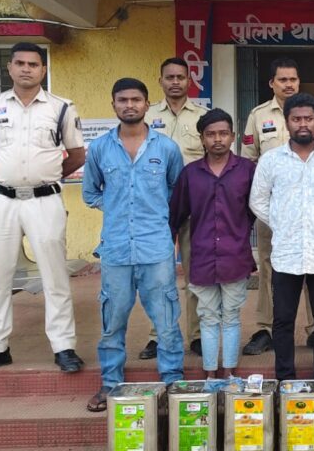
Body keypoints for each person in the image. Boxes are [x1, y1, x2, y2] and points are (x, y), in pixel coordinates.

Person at [0, 42, 86, 376]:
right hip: (2, 200)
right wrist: (11, 174)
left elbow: (76, 155)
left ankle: (63, 346)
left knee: (54, 276)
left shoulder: (61, 107)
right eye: (20, 63)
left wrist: (44, 176)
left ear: (43, 70)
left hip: (44, 201)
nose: (26, 69)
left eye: (33, 64)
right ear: (10, 67)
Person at [82, 78, 185, 413]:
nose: (129, 105)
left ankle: (172, 381)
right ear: (113, 104)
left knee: (166, 321)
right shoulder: (100, 148)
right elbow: (90, 192)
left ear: (146, 104)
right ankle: (110, 383)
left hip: (156, 248)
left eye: (136, 100)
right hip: (115, 249)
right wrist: (115, 206)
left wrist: (157, 215)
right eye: (123, 100)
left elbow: (177, 192)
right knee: (112, 321)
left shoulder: (166, 148)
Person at [249, 93, 314, 386]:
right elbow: (257, 200)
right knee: (283, 320)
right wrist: (281, 223)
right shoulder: (271, 160)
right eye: (296, 119)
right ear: (287, 122)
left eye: (308, 119)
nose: (303, 124)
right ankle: (285, 380)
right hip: (286, 253)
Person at [240, 58, 314, 355]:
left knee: (313, 265)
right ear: (272, 83)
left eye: (293, 79)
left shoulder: (313, 114)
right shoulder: (258, 115)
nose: (289, 84)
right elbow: (249, 161)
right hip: (272, 209)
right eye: (283, 80)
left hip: (309, 207)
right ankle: (266, 328)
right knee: (268, 267)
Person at [169, 108, 256, 379]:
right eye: (211, 134)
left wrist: (239, 232)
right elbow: (176, 214)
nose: (217, 139)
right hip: (202, 257)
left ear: (233, 136)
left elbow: (256, 208)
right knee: (207, 317)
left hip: (235, 257)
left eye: (223, 133)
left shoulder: (247, 170)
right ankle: (210, 375)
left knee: (231, 315)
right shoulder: (190, 174)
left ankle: (228, 373)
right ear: (202, 139)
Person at [139, 57, 208, 361]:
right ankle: (159, 335)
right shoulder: (147, 116)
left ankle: (197, 335)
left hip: (194, 207)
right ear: (161, 81)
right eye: (170, 77)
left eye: (181, 77)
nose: (175, 82)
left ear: (189, 80)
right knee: (158, 275)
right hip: (156, 209)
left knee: (196, 274)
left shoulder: (203, 116)